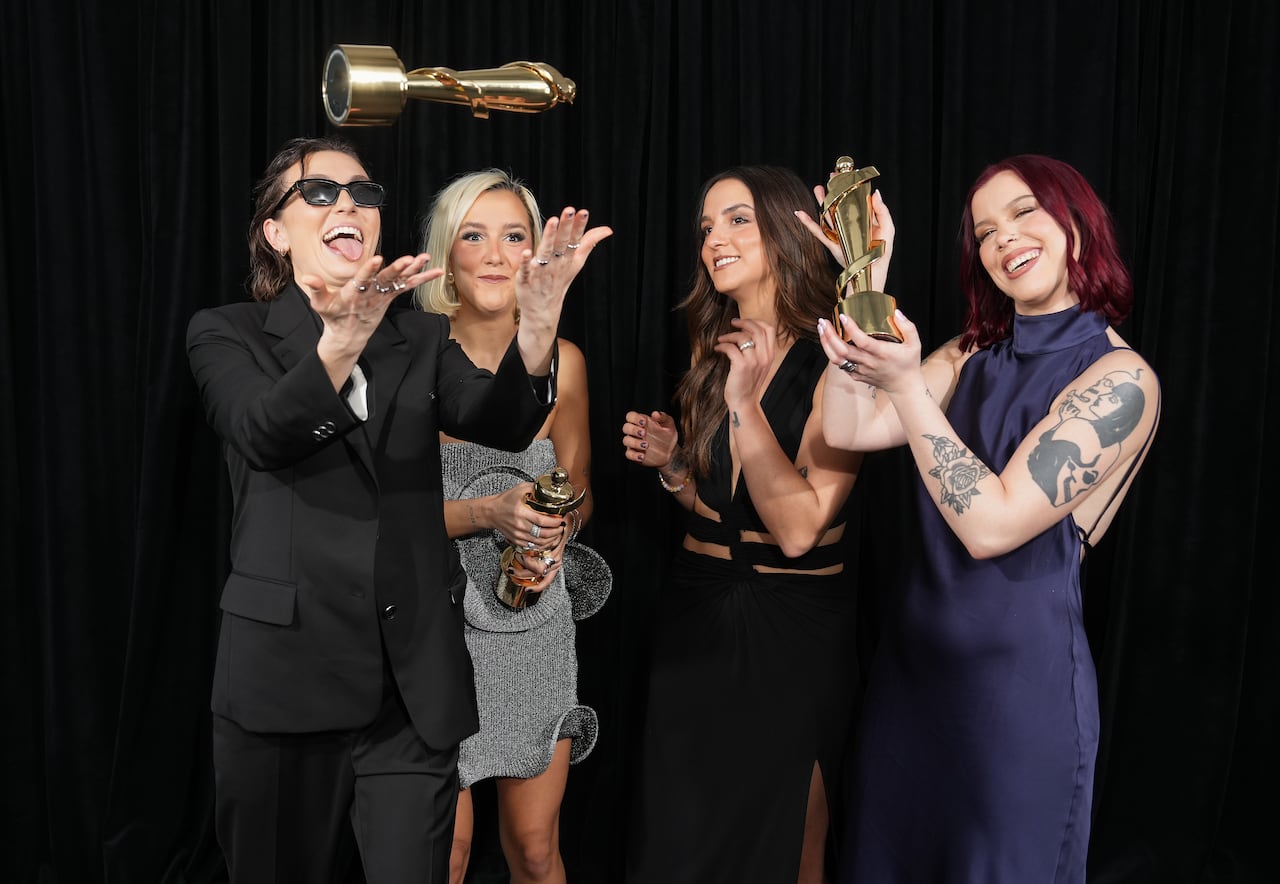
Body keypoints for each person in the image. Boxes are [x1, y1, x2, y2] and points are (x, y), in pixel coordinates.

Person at [186, 135, 610, 883]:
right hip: (286, 685)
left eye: (363, 191)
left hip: (410, 697)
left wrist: (538, 324)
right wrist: (340, 344)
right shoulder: (227, 333)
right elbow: (264, 432)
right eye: (318, 192)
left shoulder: (418, 337)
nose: (347, 202)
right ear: (276, 233)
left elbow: (502, 418)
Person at [806, 154, 1161, 883]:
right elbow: (847, 429)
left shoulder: (1121, 379)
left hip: (1016, 704)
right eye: (985, 230)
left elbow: (991, 525)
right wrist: (863, 285)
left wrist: (906, 385)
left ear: (1077, 225)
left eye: (1024, 212)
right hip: (911, 681)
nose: (1005, 238)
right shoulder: (972, 352)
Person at [621, 165, 882, 883]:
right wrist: (676, 470)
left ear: (790, 229)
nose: (714, 240)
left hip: (790, 640)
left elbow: (798, 529)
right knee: (683, 841)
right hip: (694, 619)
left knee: (786, 842)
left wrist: (744, 406)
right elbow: (726, 514)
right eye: (707, 227)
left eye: (737, 219)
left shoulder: (842, 358)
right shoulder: (718, 349)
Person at [415, 169, 612, 884]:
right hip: (433, 627)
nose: (495, 254)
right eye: (474, 235)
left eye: (513, 236)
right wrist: (486, 514)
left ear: (535, 254)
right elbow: (378, 517)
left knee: (533, 850)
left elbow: (580, 489)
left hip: (531, 620)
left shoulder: (566, 364)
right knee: (447, 854)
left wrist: (558, 531)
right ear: (447, 252)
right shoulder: (412, 356)